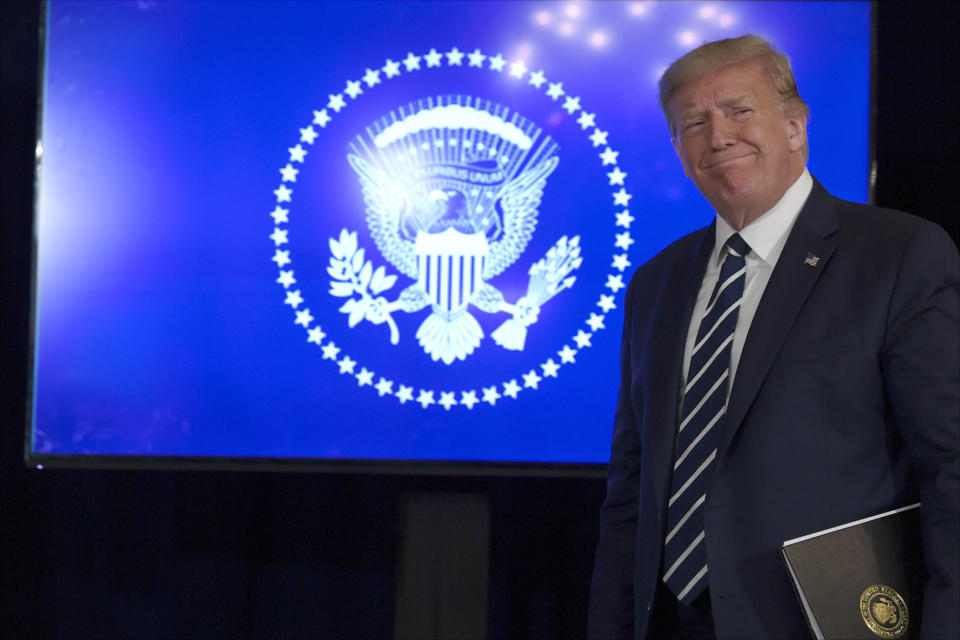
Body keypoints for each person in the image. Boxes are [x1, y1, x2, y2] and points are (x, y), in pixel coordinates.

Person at [587, 35, 959, 639]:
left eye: (739, 110)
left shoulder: (898, 255)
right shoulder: (654, 284)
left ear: (794, 125)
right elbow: (631, 490)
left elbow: (950, 467)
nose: (719, 136)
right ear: (679, 150)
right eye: (694, 123)